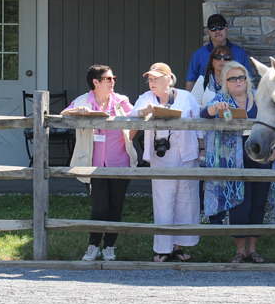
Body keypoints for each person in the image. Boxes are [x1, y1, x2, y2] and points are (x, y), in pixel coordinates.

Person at [201, 60, 275, 263]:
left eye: (241, 77)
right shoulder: (221, 98)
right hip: (234, 156)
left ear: (247, 79)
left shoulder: (259, 98)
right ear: (225, 82)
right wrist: (215, 108)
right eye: (232, 78)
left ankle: (252, 249)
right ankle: (240, 250)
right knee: (239, 202)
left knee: (258, 202)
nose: (238, 81)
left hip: (260, 152)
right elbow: (203, 114)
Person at [62, 65, 135, 262]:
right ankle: (93, 245)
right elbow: (63, 115)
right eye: (108, 79)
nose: (112, 82)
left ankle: (109, 247)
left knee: (116, 207)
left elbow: (137, 119)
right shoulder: (83, 101)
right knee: (99, 207)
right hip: (93, 164)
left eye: (113, 78)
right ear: (96, 82)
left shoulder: (121, 101)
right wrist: (78, 111)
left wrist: (129, 137)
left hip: (120, 162)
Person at [132, 63, 202, 262]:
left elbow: (199, 124)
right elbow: (132, 115)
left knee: (186, 201)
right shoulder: (146, 98)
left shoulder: (186, 97)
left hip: (187, 154)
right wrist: (144, 112)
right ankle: (164, 249)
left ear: (169, 79)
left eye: (156, 78)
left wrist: (202, 148)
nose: (152, 82)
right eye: (150, 79)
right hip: (161, 157)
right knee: (163, 201)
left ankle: (178, 247)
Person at [185, 14, 249, 92]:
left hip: (234, 97)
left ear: (226, 29)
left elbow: (248, 80)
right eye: (213, 28)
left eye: (220, 27)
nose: (217, 31)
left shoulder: (240, 53)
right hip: (206, 97)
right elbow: (191, 81)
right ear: (209, 32)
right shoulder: (198, 55)